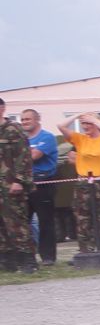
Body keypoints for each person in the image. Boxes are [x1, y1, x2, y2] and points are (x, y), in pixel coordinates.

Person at [59, 111, 100, 257]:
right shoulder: (80, 139)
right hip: (84, 182)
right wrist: (78, 115)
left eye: (89, 123)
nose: (86, 126)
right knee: (83, 217)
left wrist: (95, 120)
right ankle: (86, 250)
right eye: (83, 124)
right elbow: (61, 126)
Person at [16, 110, 59, 265]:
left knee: (45, 221)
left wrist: (15, 155)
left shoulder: (47, 137)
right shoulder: (20, 139)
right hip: (23, 184)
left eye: (28, 119)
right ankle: (26, 256)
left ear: (37, 120)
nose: (24, 122)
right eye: (22, 119)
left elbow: (32, 156)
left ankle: (48, 257)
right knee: (21, 222)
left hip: (43, 183)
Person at [0, 100, 36, 273]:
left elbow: (24, 156)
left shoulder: (13, 129)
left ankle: (28, 260)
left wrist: (20, 180)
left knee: (17, 223)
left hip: (11, 185)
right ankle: (7, 261)